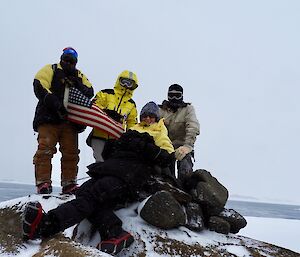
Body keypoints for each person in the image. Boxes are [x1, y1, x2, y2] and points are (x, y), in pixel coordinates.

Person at [22, 102, 174, 255]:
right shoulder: (132, 129)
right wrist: (114, 144)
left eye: (151, 116)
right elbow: (110, 153)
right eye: (145, 116)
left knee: (94, 195)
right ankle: (115, 233)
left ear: (156, 118)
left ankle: (45, 225)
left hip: (129, 174)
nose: (148, 119)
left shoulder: (160, 131)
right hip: (109, 169)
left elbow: (167, 157)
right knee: (84, 193)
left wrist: (143, 146)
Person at [32, 47, 94, 194]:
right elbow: (39, 85)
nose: (69, 62)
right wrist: (56, 104)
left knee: (71, 153)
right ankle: (43, 183)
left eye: (72, 60)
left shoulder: (79, 75)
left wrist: (76, 83)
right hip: (49, 118)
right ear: (61, 58)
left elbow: (89, 91)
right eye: (66, 59)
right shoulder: (51, 69)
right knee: (45, 150)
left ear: (76, 62)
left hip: (70, 122)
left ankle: (69, 183)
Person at [87, 70, 138, 162]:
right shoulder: (105, 93)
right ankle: (96, 176)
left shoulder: (131, 104)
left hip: (116, 137)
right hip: (100, 133)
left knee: (111, 163)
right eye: (124, 81)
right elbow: (94, 106)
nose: (126, 85)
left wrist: (131, 136)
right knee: (99, 160)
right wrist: (107, 112)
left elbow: (132, 122)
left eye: (129, 83)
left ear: (133, 86)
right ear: (119, 81)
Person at [159, 84, 200, 182]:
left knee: (185, 169)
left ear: (182, 96)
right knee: (166, 175)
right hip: (165, 147)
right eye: (171, 95)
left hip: (182, 146)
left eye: (177, 95)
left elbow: (193, 127)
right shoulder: (160, 110)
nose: (174, 98)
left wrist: (187, 146)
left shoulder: (188, 109)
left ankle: (187, 189)